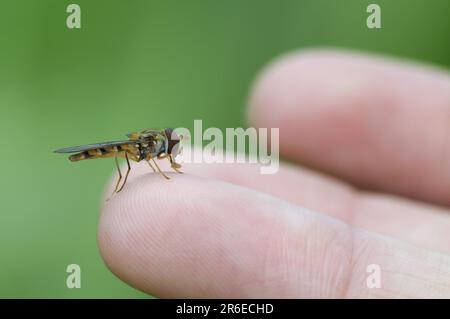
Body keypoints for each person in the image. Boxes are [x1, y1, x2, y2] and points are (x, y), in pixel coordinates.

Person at [98, 49, 450, 298]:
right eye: (170, 145)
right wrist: (148, 171)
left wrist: (167, 165)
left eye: (170, 145)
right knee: (122, 161)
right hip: (123, 154)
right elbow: (133, 152)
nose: (171, 146)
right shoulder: (144, 148)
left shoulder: (160, 147)